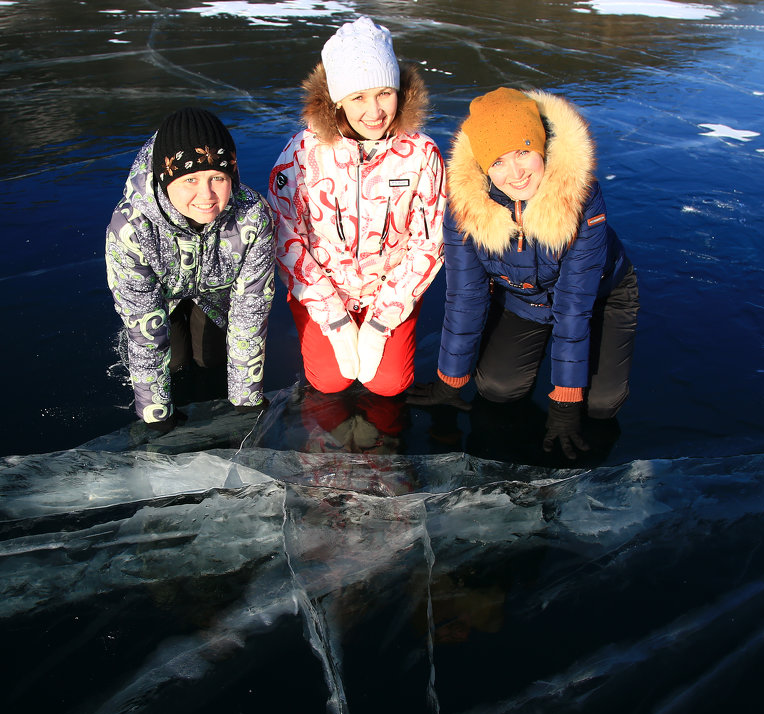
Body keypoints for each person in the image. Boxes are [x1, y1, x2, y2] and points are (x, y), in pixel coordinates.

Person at [409, 87, 639, 459]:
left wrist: (564, 405)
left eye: (523, 152)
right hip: (524, 298)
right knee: (497, 390)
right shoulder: (464, 206)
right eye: (497, 162)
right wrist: (450, 381)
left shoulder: (579, 195)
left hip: (600, 296)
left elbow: (573, 305)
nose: (515, 173)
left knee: (600, 406)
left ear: (543, 147)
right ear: (483, 167)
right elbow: (466, 294)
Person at [267, 16, 446, 398]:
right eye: (358, 97)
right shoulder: (301, 154)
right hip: (325, 289)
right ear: (337, 100)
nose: (374, 110)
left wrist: (382, 322)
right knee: (329, 382)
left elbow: (428, 243)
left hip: (389, 291)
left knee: (388, 385)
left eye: (384, 92)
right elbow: (285, 238)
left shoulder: (421, 153)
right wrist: (332, 317)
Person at [105, 107, 275, 430]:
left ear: (232, 177)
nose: (206, 195)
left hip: (214, 288)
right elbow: (144, 331)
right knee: (174, 359)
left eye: (217, 178)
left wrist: (246, 399)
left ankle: (199, 315)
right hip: (163, 294)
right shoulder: (130, 230)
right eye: (190, 180)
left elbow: (250, 309)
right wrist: (156, 415)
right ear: (167, 180)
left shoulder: (253, 218)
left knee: (210, 358)